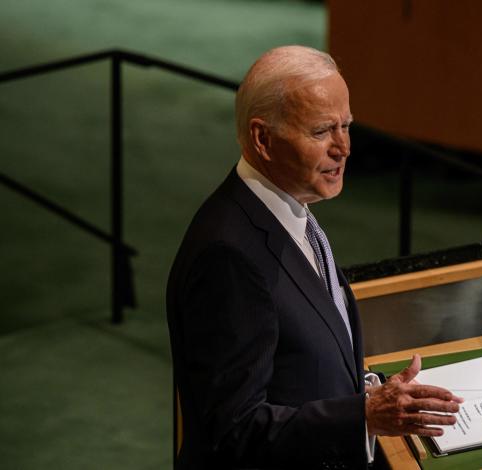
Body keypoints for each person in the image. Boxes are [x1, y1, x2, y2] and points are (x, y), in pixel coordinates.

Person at [166, 45, 462, 470]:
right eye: (322, 131)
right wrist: (363, 414)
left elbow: (300, 358)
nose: (343, 148)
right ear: (262, 138)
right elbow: (232, 431)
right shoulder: (226, 256)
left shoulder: (290, 213)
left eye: (346, 126)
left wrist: (367, 392)